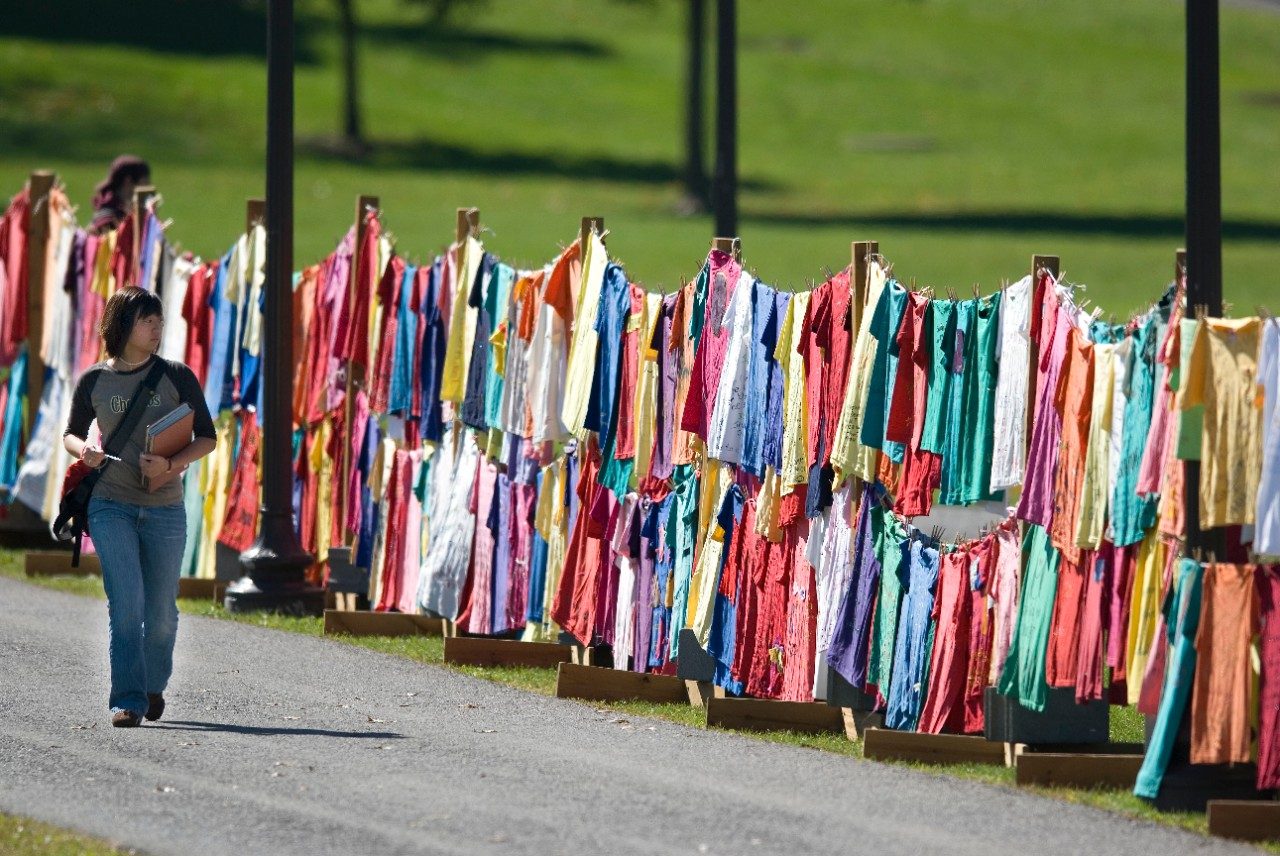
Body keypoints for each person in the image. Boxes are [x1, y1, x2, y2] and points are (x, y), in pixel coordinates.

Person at [62, 287, 217, 728]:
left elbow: (206, 436)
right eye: (148, 321)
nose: (157, 329)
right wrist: (84, 452)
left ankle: (151, 684)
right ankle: (127, 699)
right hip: (111, 505)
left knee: (162, 613)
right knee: (126, 604)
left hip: (165, 508)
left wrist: (172, 463)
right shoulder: (94, 380)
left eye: (159, 321)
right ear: (123, 325)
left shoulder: (177, 375)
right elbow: (71, 432)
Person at [89, 155, 151, 234]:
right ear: (128, 181)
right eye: (145, 182)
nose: (149, 186)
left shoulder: (123, 211)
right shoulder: (107, 221)